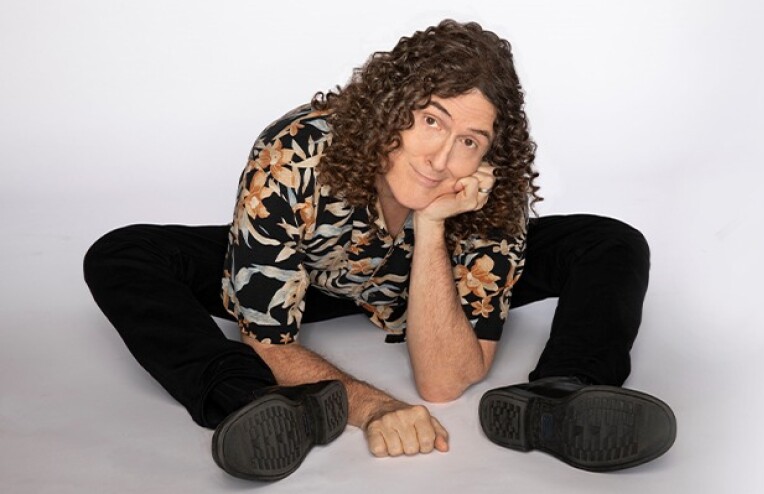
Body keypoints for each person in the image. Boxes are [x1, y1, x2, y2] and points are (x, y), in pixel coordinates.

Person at [83, 19, 676, 481]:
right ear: (392, 108)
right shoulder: (298, 153)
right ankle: (254, 400)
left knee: (609, 241)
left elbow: (444, 384)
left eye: (469, 141)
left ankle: (562, 395)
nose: (441, 158)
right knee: (123, 254)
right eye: (431, 121)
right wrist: (371, 407)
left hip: (426, 282)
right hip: (312, 271)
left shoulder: (484, 190)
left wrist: (433, 226)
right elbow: (268, 338)